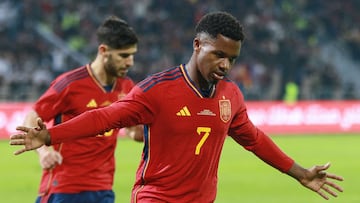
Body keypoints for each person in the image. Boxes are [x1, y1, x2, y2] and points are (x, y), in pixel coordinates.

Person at [10, 11, 343, 202]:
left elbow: (254, 139)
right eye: (218, 54)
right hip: (155, 198)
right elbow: (104, 117)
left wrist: (300, 173)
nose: (226, 65)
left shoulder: (231, 96)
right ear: (197, 45)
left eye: (232, 59)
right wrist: (50, 137)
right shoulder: (157, 90)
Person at [20, 15, 143, 203]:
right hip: (64, 187)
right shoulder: (70, 84)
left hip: (103, 189)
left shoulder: (127, 86)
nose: (130, 62)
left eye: (132, 55)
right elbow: (34, 115)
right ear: (103, 51)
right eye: (124, 55)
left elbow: (133, 132)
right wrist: (45, 152)